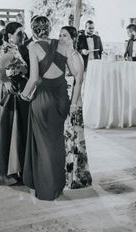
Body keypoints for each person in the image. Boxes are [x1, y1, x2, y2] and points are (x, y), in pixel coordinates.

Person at [21, 16, 80, 201]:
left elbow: (34, 78)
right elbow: (75, 74)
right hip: (62, 98)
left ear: (33, 30)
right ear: (49, 28)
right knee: (56, 142)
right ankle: (58, 185)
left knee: (44, 145)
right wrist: (74, 102)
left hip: (44, 99)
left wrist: (23, 96)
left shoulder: (33, 47)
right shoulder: (62, 45)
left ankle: (47, 188)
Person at [0, 21, 29, 186]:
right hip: (8, 92)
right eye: (19, 33)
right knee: (8, 130)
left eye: (23, 33)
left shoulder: (5, 47)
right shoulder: (10, 50)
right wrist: (6, 81)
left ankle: (9, 170)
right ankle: (8, 172)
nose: (23, 36)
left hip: (5, 90)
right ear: (9, 36)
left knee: (9, 130)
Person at [59, 26, 93, 189]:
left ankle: (77, 177)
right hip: (63, 100)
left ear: (73, 38)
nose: (61, 38)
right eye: (60, 35)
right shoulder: (62, 55)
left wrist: (73, 103)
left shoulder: (75, 56)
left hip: (73, 102)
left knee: (75, 138)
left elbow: (79, 81)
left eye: (65, 35)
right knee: (66, 139)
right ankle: (66, 175)